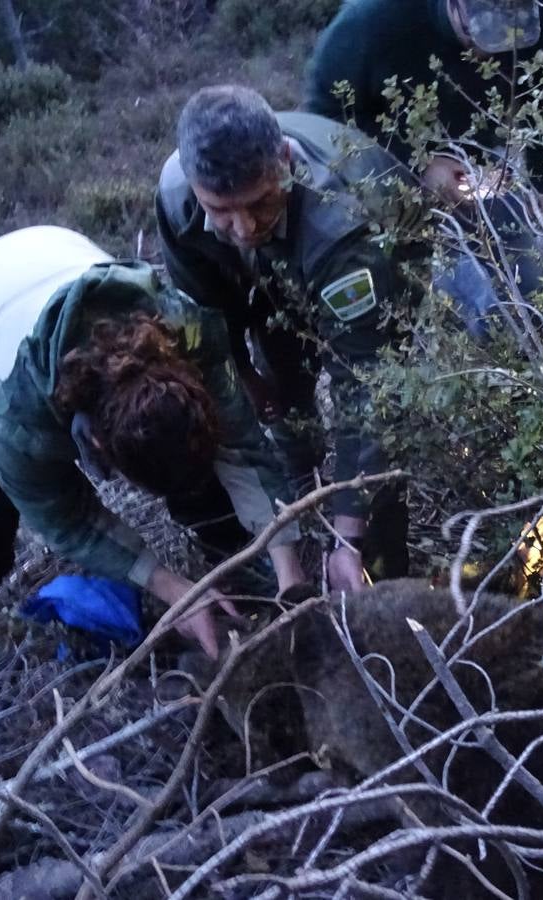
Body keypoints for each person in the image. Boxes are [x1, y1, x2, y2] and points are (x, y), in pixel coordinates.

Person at [0, 226, 306, 658]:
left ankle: (237, 558)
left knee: (194, 466)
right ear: (98, 448)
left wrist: (290, 575)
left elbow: (243, 448)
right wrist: (172, 588)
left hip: (48, 247)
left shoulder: (185, 329)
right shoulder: (14, 417)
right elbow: (68, 520)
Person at [156, 86, 427, 592]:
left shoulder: (344, 224)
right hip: (276, 277)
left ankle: (385, 566)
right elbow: (206, 318)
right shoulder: (177, 198)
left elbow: (367, 387)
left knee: (383, 427)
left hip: (376, 265)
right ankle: (301, 486)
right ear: (195, 187)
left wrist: (350, 535)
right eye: (221, 209)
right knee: (282, 384)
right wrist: (245, 377)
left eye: (259, 202)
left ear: (284, 159)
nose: (244, 226)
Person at [305, 0, 543, 200]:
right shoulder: (371, 21)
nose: (492, 53)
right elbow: (322, 124)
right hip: (383, 183)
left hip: (474, 170)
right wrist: (419, 165)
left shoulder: (534, 9)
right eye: (479, 33)